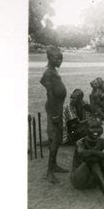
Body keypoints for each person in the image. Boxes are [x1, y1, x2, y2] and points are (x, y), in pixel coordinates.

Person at [40, 46, 69, 184]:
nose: (60, 61)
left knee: (57, 139)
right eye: (57, 58)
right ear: (50, 58)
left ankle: (54, 166)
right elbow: (50, 95)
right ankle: (49, 172)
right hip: (53, 110)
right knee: (55, 139)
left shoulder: (54, 72)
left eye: (61, 58)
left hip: (58, 108)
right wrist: (55, 115)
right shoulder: (48, 73)